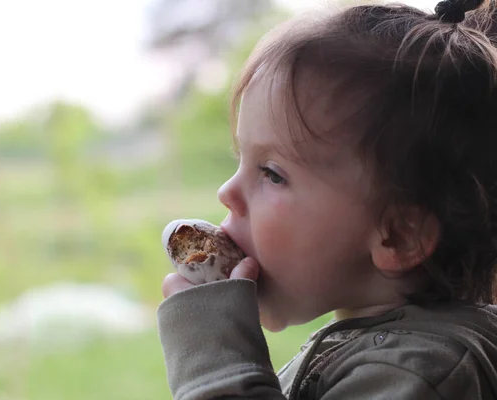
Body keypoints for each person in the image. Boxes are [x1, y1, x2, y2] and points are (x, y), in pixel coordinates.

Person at [157, 0, 497, 398]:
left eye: (272, 173)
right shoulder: (388, 351)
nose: (226, 193)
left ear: (398, 237)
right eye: (242, 160)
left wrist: (213, 365)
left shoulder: (418, 372)